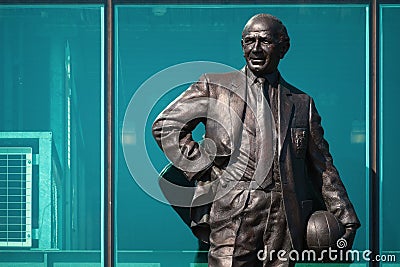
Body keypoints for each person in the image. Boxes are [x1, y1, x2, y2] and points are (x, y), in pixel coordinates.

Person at [152, 13, 360, 267]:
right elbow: (167, 126)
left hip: (284, 219)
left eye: (265, 41)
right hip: (231, 211)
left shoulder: (301, 103)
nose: (256, 49)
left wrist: (344, 215)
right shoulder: (214, 87)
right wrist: (206, 169)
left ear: (283, 48)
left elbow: (323, 167)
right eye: (249, 41)